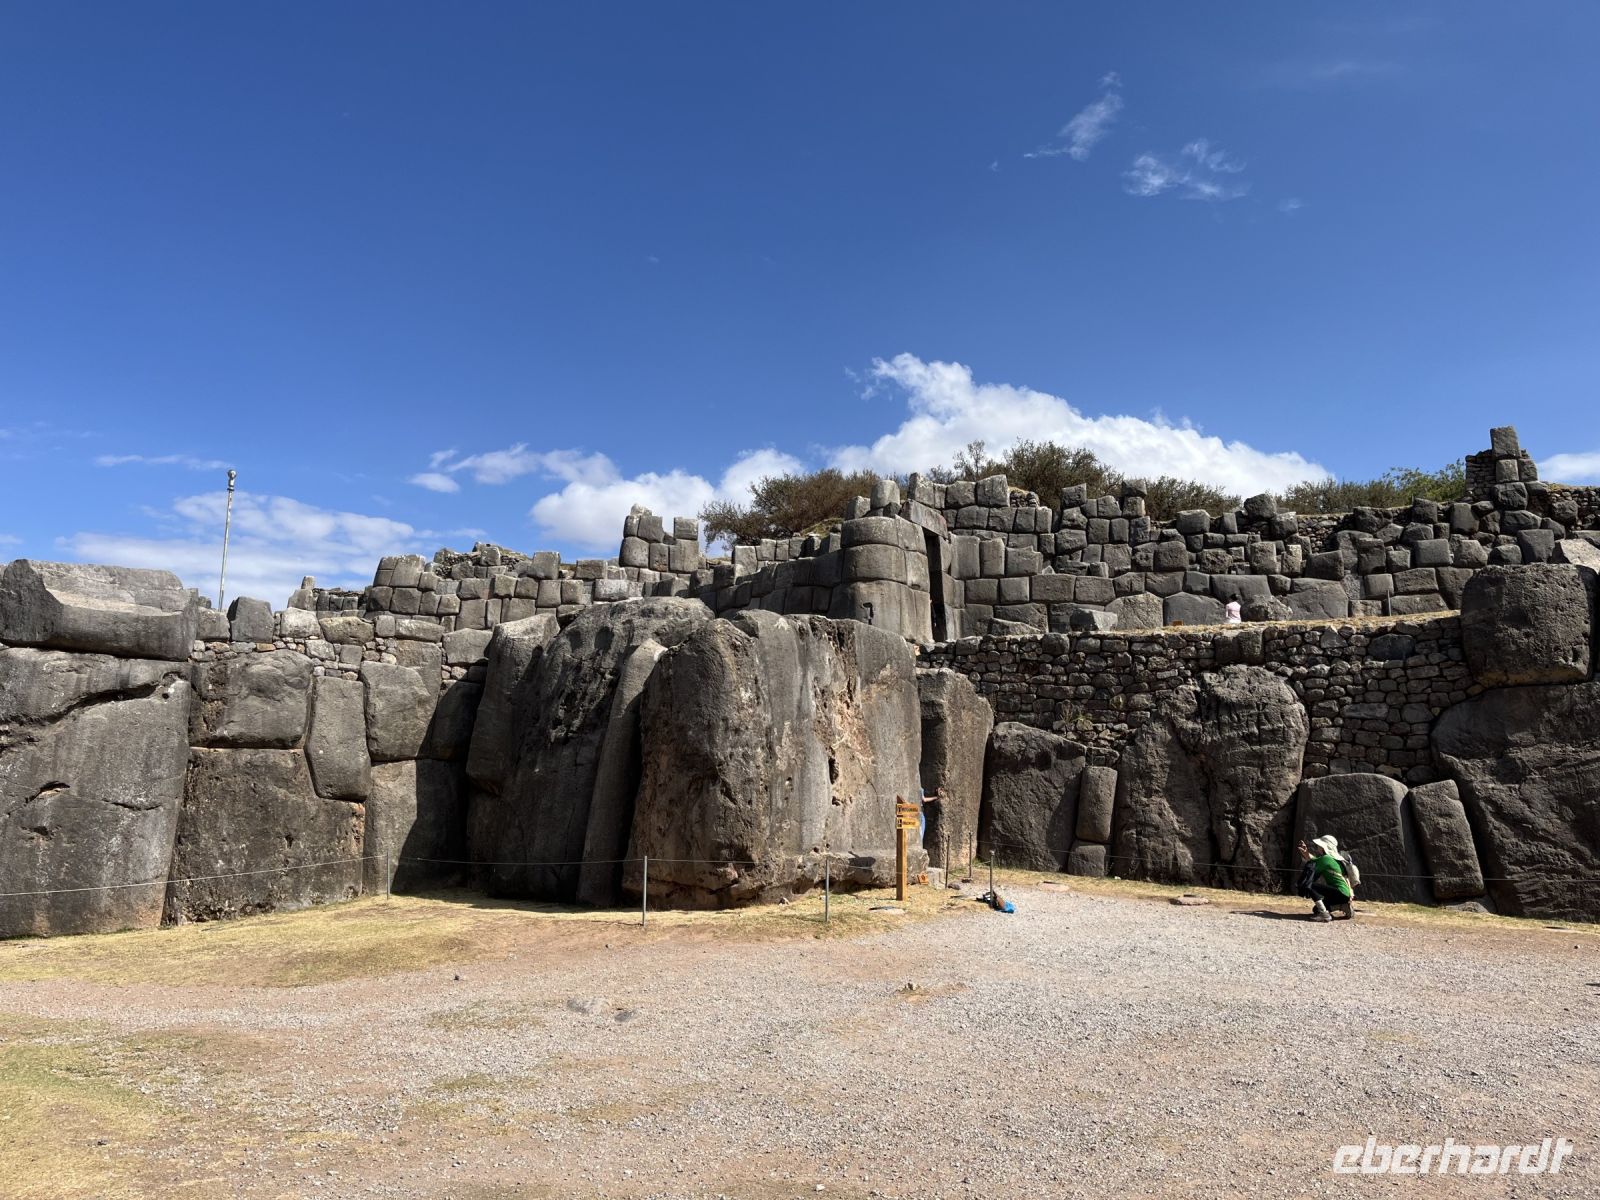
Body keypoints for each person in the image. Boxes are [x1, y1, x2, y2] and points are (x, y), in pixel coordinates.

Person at [1297, 836, 1354, 922]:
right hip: (1345, 894)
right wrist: (1306, 853)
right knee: (1316, 909)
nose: (1318, 846)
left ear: (1324, 847)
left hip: (1339, 893)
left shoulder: (1325, 859)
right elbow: (1315, 861)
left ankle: (1324, 914)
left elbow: (1313, 864)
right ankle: (1343, 906)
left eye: (1320, 845)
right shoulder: (1336, 859)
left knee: (1309, 884)